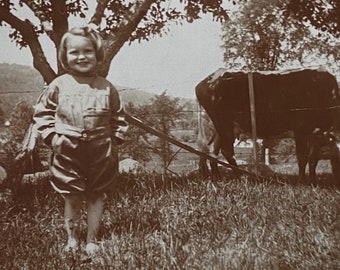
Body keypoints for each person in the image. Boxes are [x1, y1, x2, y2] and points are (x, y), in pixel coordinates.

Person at [33, 26, 128, 255]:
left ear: (98, 55)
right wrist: (52, 137)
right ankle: (72, 239)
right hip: (67, 150)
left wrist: (114, 140)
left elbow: (118, 116)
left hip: (100, 150)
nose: (81, 57)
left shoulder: (106, 87)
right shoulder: (59, 85)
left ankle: (92, 239)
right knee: (72, 195)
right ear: (64, 56)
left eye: (88, 51)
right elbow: (42, 113)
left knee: (96, 194)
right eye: (74, 52)